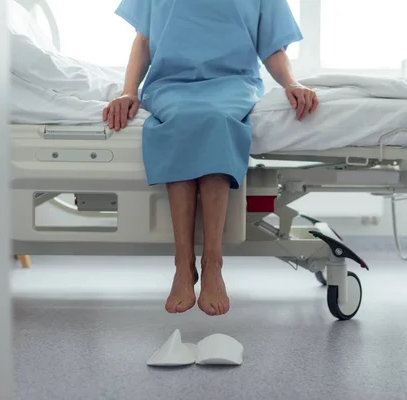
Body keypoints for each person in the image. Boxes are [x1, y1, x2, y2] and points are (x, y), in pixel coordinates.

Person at [103, 0, 319, 316]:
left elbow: (271, 47)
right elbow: (144, 39)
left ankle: (213, 263)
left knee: (216, 121)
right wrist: (129, 91)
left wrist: (292, 83)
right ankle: (182, 264)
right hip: (171, 84)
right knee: (183, 121)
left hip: (232, 83)